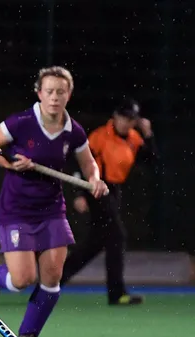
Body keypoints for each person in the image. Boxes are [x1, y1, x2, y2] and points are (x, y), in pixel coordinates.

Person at [0, 66, 108, 337]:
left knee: (52, 276)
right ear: (39, 93)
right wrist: (11, 164)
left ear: (69, 95)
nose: (55, 97)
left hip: (52, 211)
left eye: (61, 92)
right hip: (16, 209)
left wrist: (95, 179)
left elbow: (88, 164)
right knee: (22, 280)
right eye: (49, 91)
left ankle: (29, 334)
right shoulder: (21, 122)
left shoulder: (73, 131)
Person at [60, 98, 156, 305]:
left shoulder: (134, 138)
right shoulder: (100, 136)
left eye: (131, 119)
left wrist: (148, 135)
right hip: (96, 189)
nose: (127, 122)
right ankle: (116, 293)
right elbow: (79, 163)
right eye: (124, 117)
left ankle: (54, 281)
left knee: (95, 243)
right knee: (117, 236)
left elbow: (150, 159)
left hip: (114, 191)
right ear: (115, 116)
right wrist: (79, 193)